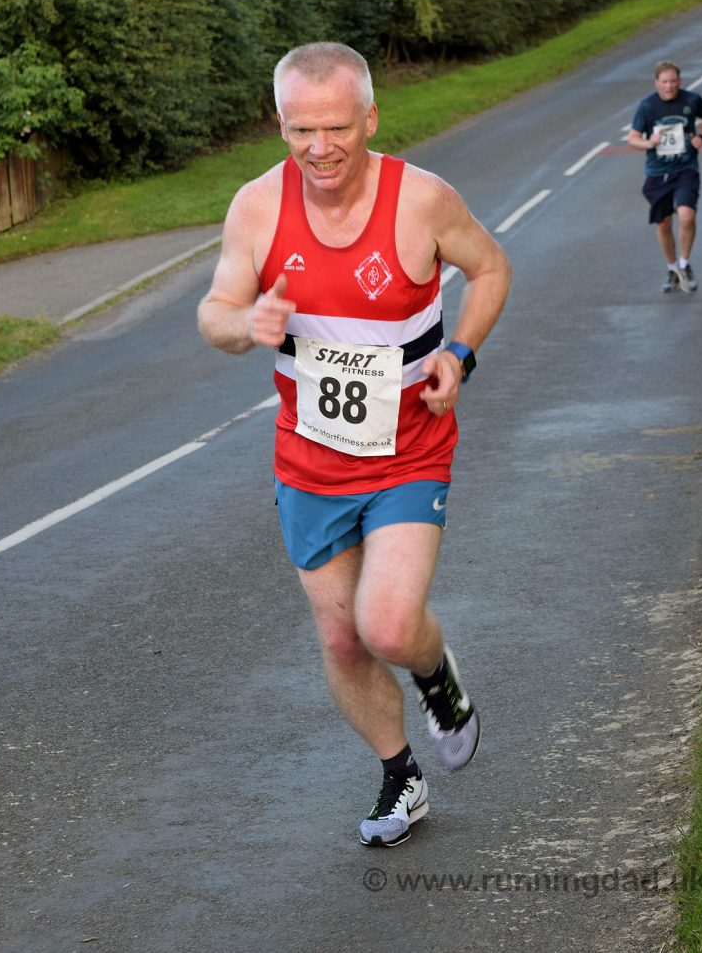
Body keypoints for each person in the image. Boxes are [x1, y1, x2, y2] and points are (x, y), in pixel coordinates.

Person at [198, 41, 511, 848]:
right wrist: (246, 324)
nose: (320, 147)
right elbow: (215, 312)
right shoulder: (257, 207)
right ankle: (400, 773)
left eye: (336, 126)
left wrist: (460, 353)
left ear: (369, 118)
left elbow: (492, 268)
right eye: (302, 129)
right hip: (309, 461)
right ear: (281, 125)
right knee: (340, 636)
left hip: (409, 449)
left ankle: (436, 675)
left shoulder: (422, 201)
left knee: (388, 623)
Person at [628, 61, 702, 294]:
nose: (669, 86)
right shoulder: (647, 107)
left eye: (673, 81)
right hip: (657, 173)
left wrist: (701, 137)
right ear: (656, 83)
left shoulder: (691, 100)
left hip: (686, 168)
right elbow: (633, 138)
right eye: (664, 82)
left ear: (680, 81)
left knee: (686, 216)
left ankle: (685, 265)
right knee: (664, 223)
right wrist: (650, 142)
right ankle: (672, 269)